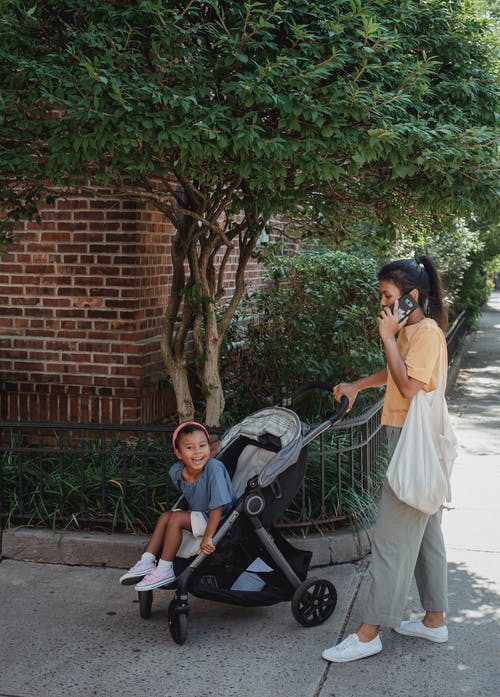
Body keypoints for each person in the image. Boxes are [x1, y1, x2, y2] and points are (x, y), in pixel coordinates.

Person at [322, 255, 450, 663]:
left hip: (415, 442)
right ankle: (435, 620)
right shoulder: (414, 332)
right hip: (410, 438)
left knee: (392, 540)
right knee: (426, 532)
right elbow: (394, 372)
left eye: (388, 296)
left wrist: (388, 337)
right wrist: (359, 384)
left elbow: (410, 386)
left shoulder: (426, 332)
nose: (383, 305)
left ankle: (369, 632)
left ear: (411, 298)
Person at [120, 421, 236, 591]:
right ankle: (147, 560)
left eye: (202, 446)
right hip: (199, 515)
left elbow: (218, 507)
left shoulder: (214, 468)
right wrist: (205, 452)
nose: (197, 452)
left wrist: (207, 538)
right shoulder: (177, 471)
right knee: (166, 516)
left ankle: (165, 569)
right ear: (179, 453)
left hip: (220, 520)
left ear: (208, 448)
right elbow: (199, 460)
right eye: (190, 448)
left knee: (175, 519)